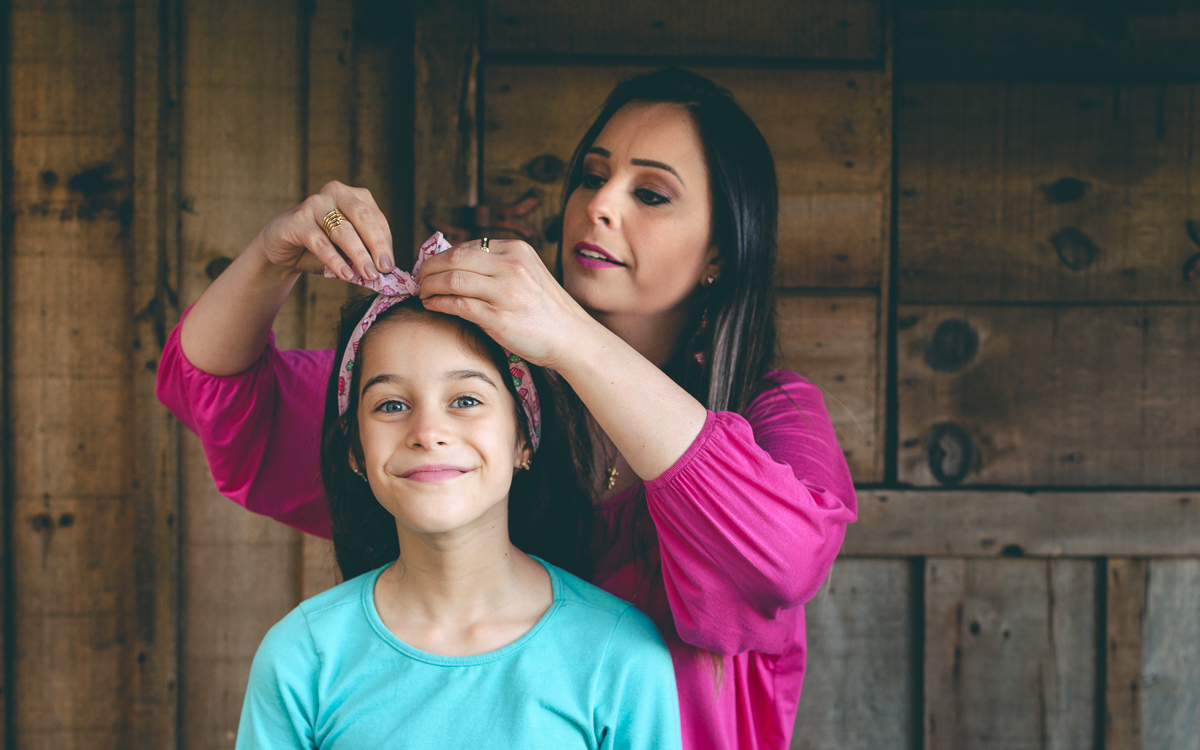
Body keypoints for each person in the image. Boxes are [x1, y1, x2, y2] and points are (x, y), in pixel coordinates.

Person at [159, 68, 857, 750]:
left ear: (720, 252)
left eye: (651, 193)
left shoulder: (775, 411)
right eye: (591, 175)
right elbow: (231, 401)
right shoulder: (473, 390)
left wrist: (572, 338)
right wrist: (271, 254)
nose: (600, 205)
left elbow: (778, 560)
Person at [236, 236, 681, 748]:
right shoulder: (303, 657)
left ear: (523, 439)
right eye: (390, 405)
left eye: (466, 399)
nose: (427, 431)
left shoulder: (618, 655)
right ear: (355, 451)